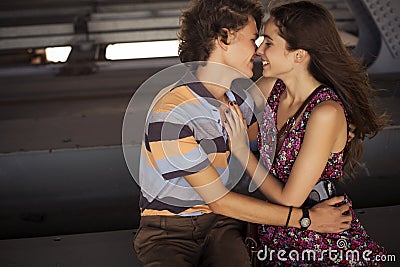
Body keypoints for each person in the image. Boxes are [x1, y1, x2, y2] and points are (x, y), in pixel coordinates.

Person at [133, 1, 352, 266]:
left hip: (222, 225)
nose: (258, 50)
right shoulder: (172, 114)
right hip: (168, 232)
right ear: (224, 39)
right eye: (253, 39)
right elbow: (220, 201)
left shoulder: (240, 100)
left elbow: (298, 82)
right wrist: (308, 219)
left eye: (264, 41)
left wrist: (337, 127)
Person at [225, 1, 388, 266]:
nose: (259, 51)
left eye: (268, 42)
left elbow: (291, 199)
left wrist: (243, 152)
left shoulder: (325, 113)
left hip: (317, 236)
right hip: (273, 229)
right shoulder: (270, 87)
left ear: (299, 55)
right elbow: (226, 118)